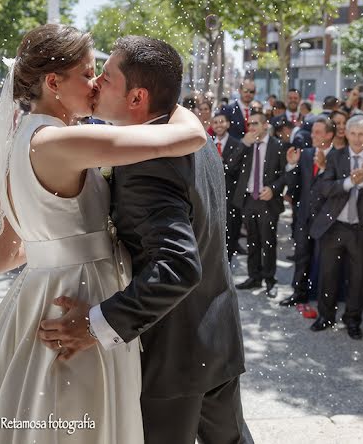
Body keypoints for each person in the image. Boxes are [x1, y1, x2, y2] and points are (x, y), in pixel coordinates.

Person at [0, 27, 210, 444]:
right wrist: (177, 102)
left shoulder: (23, 139)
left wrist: (53, 246)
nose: (96, 85)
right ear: (53, 82)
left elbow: (3, 255)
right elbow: (189, 136)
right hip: (77, 296)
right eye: (89, 73)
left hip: (40, 291)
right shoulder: (58, 140)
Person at [40, 35, 250, 444]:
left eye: (107, 76)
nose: (97, 82)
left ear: (137, 97)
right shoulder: (188, 134)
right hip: (216, 337)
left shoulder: (147, 164)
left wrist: (97, 324)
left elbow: (177, 267)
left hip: (171, 356)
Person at [309, 115, 363, 340]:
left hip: (362, 229)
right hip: (335, 226)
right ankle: (325, 316)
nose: (357, 138)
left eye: (362, 133)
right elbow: (324, 187)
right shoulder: (336, 156)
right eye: (353, 133)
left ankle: (353, 320)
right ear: (347, 134)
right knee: (328, 273)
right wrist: (349, 183)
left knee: (359, 277)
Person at [233, 111, 290, 296]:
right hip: (248, 199)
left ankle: (269, 279)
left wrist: (273, 189)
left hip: (267, 200)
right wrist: (244, 144)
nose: (252, 128)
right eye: (250, 124)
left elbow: (285, 174)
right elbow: (230, 164)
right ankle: (254, 277)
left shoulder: (278, 146)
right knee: (252, 240)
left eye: (256, 124)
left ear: (265, 125)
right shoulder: (245, 144)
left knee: (268, 241)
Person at [280, 118, 335, 307]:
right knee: (302, 255)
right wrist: (291, 166)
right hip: (304, 215)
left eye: (318, 132)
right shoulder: (305, 154)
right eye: (313, 132)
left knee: (325, 260)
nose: (313, 135)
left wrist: (324, 167)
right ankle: (299, 292)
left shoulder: (336, 156)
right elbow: (295, 186)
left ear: (329, 135)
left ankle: (324, 298)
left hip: (327, 218)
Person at [212, 113, 246, 262]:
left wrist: (221, 164)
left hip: (230, 195)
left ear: (228, 124)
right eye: (215, 122)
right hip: (211, 196)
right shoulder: (206, 143)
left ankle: (227, 262)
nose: (219, 125)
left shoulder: (237, 144)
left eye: (222, 121)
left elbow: (236, 170)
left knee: (230, 231)